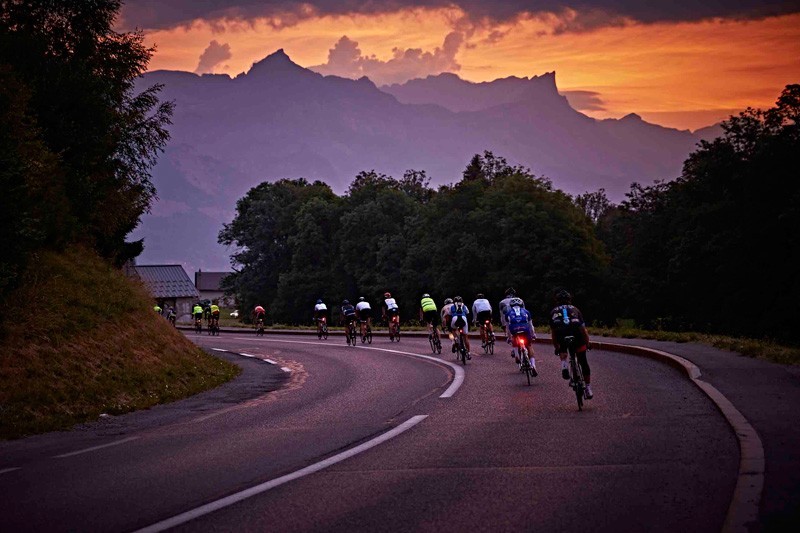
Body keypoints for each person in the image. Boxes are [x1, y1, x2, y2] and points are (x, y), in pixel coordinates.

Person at [549, 289, 593, 399]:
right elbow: (583, 330)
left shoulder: (553, 311)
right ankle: (588, 388)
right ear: (570, 300)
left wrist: (556, 347)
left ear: (557, 301)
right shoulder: (575, 309)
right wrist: (587, 343)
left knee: (562, 347)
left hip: (562, 335)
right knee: (583, 361)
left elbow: (554, 333)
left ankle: (564, 365)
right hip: (576, 334)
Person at [505, 297, 537, 375]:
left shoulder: (508, 313)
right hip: (525, 329)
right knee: (529, 345)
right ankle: (533, 365)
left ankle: (516, 355)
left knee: (514, 338)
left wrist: (509, 338)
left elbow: (508, 328)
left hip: (514, 329)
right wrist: (533, 335)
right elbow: (530, 325)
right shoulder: (526, 311)